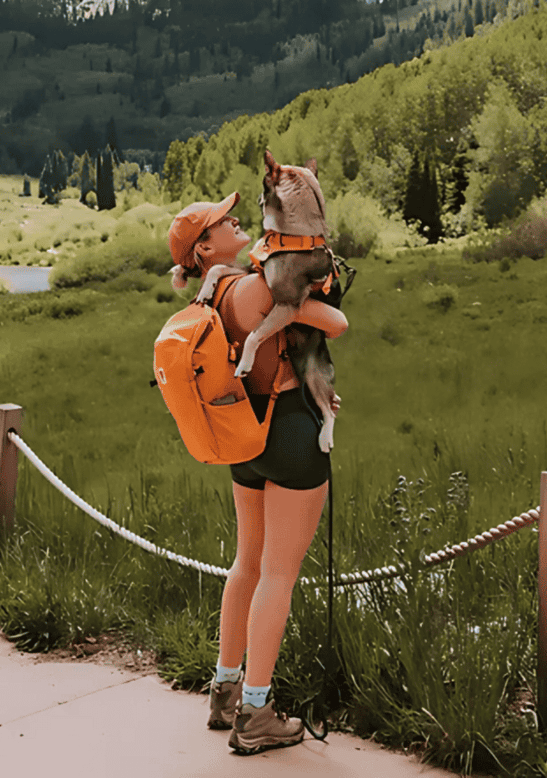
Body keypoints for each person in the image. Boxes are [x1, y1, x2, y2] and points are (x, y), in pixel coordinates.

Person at [167, 193, 348, 755]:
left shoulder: (213, 289)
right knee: (278, 575)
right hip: (289, 433)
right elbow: (337, 323)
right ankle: (256, 713)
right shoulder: (255, 287)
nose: (235, 220)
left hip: (243, 436)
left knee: (246, 564)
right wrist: (306, 298)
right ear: (204, 247)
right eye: (222, 221)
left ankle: (224, 692)